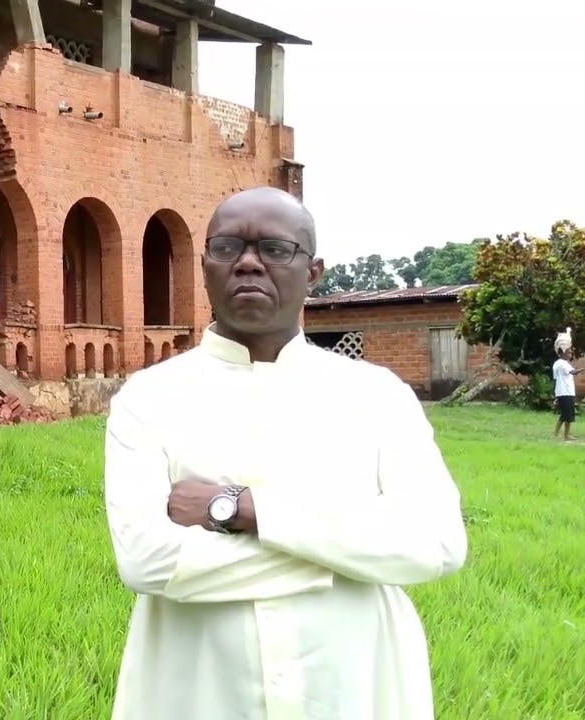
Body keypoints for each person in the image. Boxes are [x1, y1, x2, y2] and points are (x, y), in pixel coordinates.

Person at [103, 187, 468, 720]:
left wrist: (245, 509)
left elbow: (435, 543)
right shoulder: (149, 398)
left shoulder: (376, 395)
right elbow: (147, 560)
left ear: (313, 272)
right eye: (228, 247)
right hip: (200, 687)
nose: (249, 263)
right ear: (204, 264)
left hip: (350, 687)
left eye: (275, 249)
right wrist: (343, 558)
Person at [551, 329, 580, 441]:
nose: (570, 354)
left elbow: (556, 379)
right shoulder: (562, 364)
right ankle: (563, 434)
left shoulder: (558, 364)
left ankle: (559, 433)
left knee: (566, 415)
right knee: (567, 415)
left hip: (563, 392)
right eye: (568, 352)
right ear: (562, 352)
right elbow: (574, 372)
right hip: (566, 392)